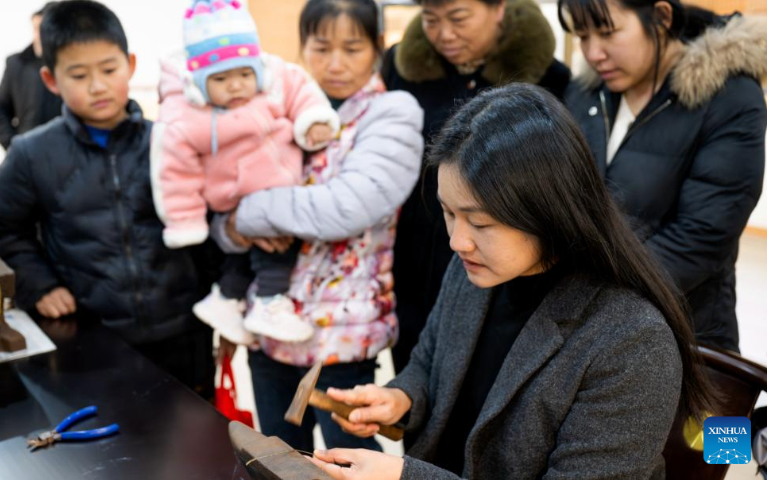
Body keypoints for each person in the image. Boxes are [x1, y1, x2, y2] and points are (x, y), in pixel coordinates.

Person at [308, 84, 716, 479]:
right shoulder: (474, 271)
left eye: (481, 222)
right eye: (449, 213)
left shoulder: (631, 342)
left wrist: (406, 476)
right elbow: (428, 363)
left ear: (547, 210)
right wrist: (401, 398)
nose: (457, 241)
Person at [212, 0, 424, 452]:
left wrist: (247, 215)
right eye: (321, 48)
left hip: (342, 338)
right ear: (303, 47)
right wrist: (230, 226)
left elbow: (343, 208)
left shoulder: (392, 113)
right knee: (274, 460)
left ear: (377, 48)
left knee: (346, 465)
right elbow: (222, 199)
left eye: (352, 48)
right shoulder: (278, 110)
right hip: (268, 332)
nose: (335, 64)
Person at [0, 0, 214, 397]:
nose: (98, 86)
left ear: (131, 65)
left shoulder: (171, 141)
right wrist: (39, 285)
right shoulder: (32, 153)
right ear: (51, 80)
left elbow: (211, 220)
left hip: (183, 331)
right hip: (91, 339)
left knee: (193, 441)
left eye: (108, 69)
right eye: (79, 74)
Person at [561, 0, 767, 352]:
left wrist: (590, 297)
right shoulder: (585, 93)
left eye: (608, 33)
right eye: (582, 36)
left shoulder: (729, 97)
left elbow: (701, 238)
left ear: (661, 16)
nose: (594, 53)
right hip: (583, 330)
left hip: (681, 334)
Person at [383, 0, 572, 373]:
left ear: (498, 8)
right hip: (412, 256)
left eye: (458, 18)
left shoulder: (548, 78)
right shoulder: (400, 67)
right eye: (431, 20)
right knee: (412, 376)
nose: (445, 34)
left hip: (496, 269)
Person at [151, 0, 340, 344]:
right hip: (239, 193)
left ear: (259, 69)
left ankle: (226, 298)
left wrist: (313, 121)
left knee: (245, 257)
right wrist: (185, 221)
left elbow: (303, 93)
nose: (236, 86)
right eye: (220, 78)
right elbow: (175, 173)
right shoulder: (186, 116)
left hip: (273, 185)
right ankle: (269, 302)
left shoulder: (276, 82)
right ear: (199, 82)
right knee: (277, 247)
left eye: (244, 74)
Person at [0, 2, 62, 150]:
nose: (40, 35)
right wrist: (12, 144)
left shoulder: (69, 65)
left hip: (65, 152)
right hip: (28, 151)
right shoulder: (16, 64)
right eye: (37, 29)